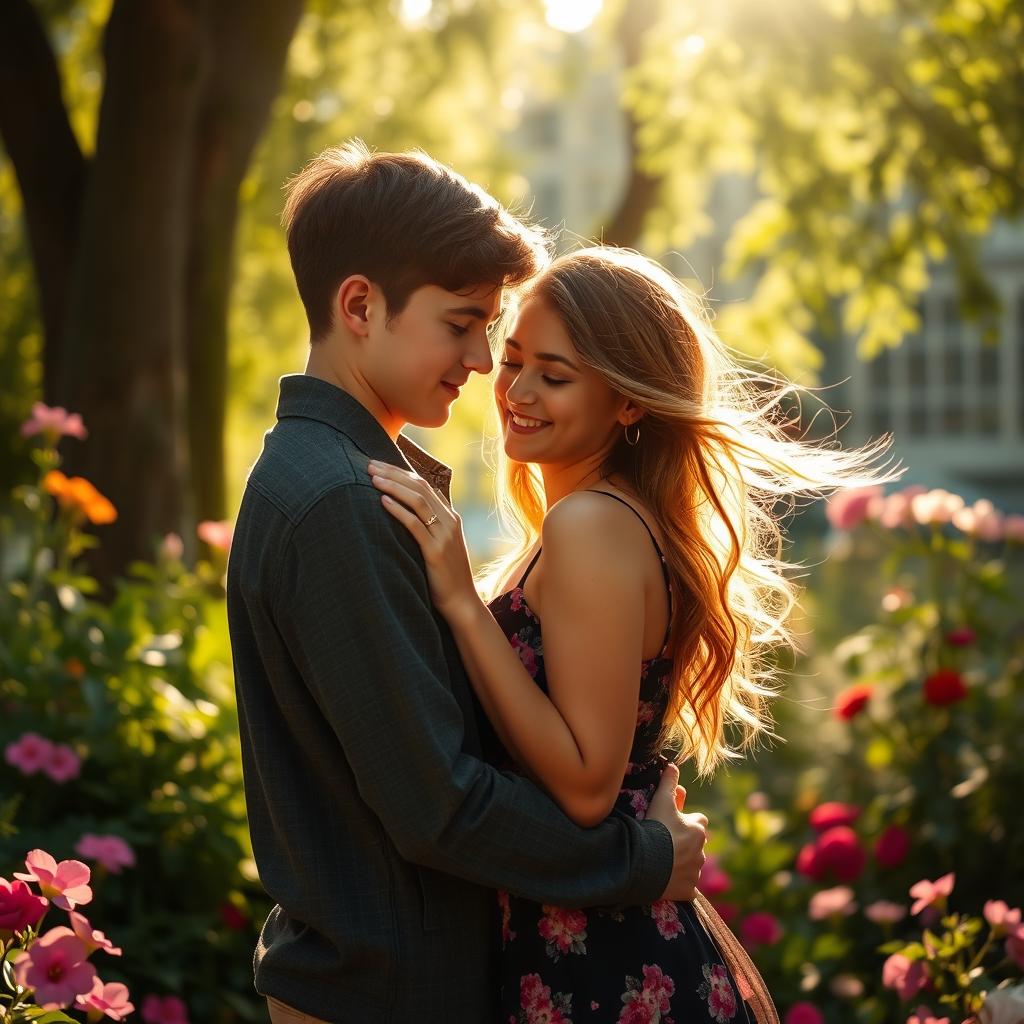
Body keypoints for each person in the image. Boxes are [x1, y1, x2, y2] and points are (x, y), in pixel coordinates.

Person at [226, 144, 710, 1024]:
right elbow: (437, 806)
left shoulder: (358, 481)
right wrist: (640, 861)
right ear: (361, 306)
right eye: (463, 324)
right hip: (384, 993)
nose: (486, 364)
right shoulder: (338, 499)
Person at [370, 245, 894, 1022]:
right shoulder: (582, 524)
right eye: (513, 361)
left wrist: (456, 599)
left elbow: (585, 784)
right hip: (580, 936)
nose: (518, 391)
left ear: (629, 402)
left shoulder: (592, 525)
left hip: (607, 966)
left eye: (556, 374)